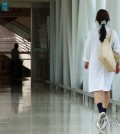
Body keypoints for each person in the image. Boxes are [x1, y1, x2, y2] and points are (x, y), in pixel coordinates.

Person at [83, 9, 120, 129]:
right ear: (108, 19)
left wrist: (86, 61)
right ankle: (104, 111)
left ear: (97, 20)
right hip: (108, 64)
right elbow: (117, 50)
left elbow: (87, 48)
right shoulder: (113, 33)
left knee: (96, 89)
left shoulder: (92, 33)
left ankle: (101, 112)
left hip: (95, 63)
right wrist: (118, 64)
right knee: (106, 90)